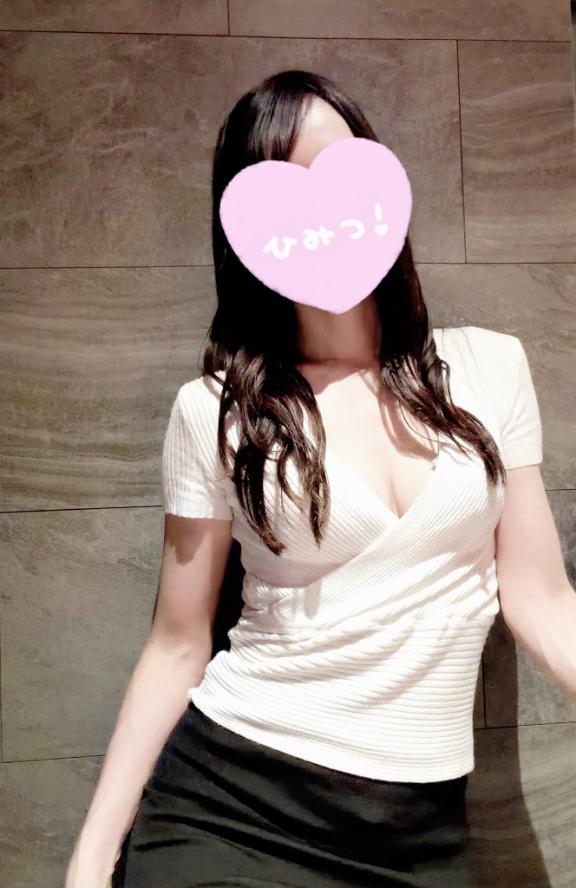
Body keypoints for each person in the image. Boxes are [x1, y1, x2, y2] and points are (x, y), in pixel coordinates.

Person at [66, 69, 558, 888]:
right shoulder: (215, 412)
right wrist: (90, 857)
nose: (326, 214)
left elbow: (542, 600)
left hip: (421, 834)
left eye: (343, 172)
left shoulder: (489, 368)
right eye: (289, 191)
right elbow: (178, 642)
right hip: (233, 803)